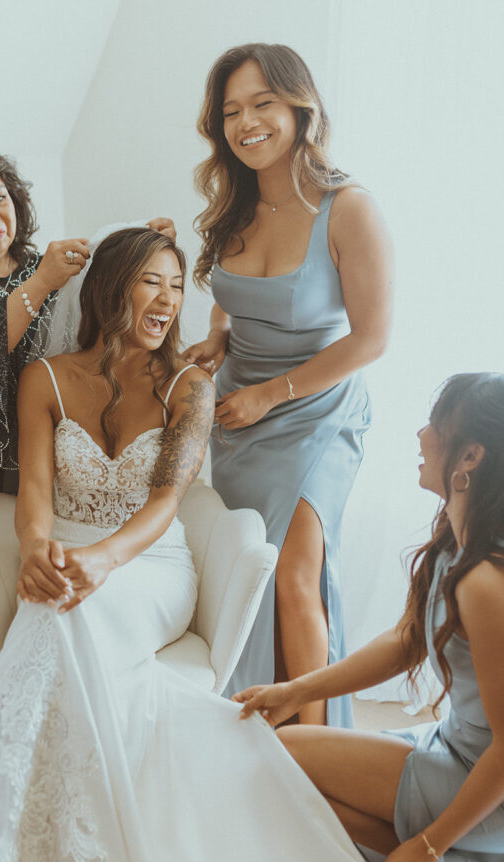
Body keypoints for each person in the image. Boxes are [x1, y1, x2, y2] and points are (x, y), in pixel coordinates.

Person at [0, 228, 450, 862]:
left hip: (149, 570)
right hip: (66, 566)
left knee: (64, 620)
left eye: (175, 285)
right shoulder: (46, 378)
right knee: (58, 624)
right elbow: (36, 492)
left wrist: (104, 563)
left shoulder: (187, 385)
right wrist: (36, 549)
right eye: (150, 283)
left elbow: (163, 507)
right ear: (110, 288)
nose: (165, 301)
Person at [236, 372, 504, 862]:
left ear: (470, 457)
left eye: (435, 423)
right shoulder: (460, 540)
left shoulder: (492, 579)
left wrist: (426, 847)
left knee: (284, 757)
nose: (420, 434)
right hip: (464, 752)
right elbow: (405, 640)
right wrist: (295, 687)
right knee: (284, 767)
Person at [0, 138, 173, 770]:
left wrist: (135, 242)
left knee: (19, 597)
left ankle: (28, 725)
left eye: (0, 198)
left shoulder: (37, 263)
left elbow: (94, 296)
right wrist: (45, 279)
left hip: (30, 464)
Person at [185, 43, 393, 724]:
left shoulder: (349, 207)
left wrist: (271, 395)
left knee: (297, 577)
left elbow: (371, 338)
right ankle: (258, 725)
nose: (246, 123)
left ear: (299, 106)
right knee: (253, 572)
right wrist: (217, 338)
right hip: (237, 413)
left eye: (262, 104)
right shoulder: (233, 206)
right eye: (231, 111)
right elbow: (229, 289)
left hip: (317, 412)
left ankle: (320, 754)